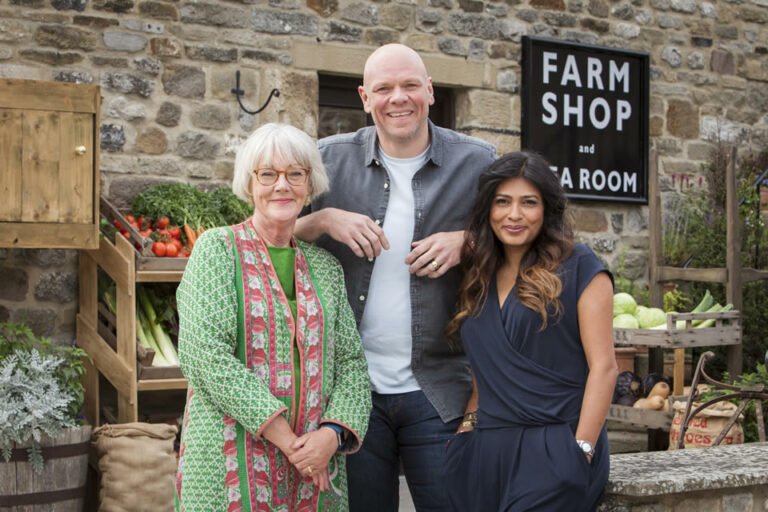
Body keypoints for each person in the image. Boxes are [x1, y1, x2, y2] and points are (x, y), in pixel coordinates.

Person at [294, 44, 497, 510]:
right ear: (365, 97)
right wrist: (324, 220)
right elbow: (268, 236)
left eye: (409, 85)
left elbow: (533, 236)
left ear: (429, 89)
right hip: (350, 391)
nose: (398, 98)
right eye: (383, 88)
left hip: (441, 386)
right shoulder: (326, 160)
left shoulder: (479, 162)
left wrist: (467, 241)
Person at [175, 123, 372, 512]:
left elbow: (352, 364)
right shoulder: (217, 249)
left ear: (309, 185)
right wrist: (289, 440)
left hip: (316, 465)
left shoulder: (326, 268)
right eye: (268, 174)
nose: (282, 185)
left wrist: (331, 436)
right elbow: (204, 354)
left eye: (294, 174)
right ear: (250, 184)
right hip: (227, 460)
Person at [444, 151, 618, 511]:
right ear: (487, 209)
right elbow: (482, 366)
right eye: (502, 202)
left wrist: (581, 449)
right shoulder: (479, 275)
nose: (514, 215)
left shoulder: (580, 266)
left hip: (555, 446)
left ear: (547, 210)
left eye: (528, 203)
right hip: (486, 449)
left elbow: (605, 367)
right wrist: (467, 428)